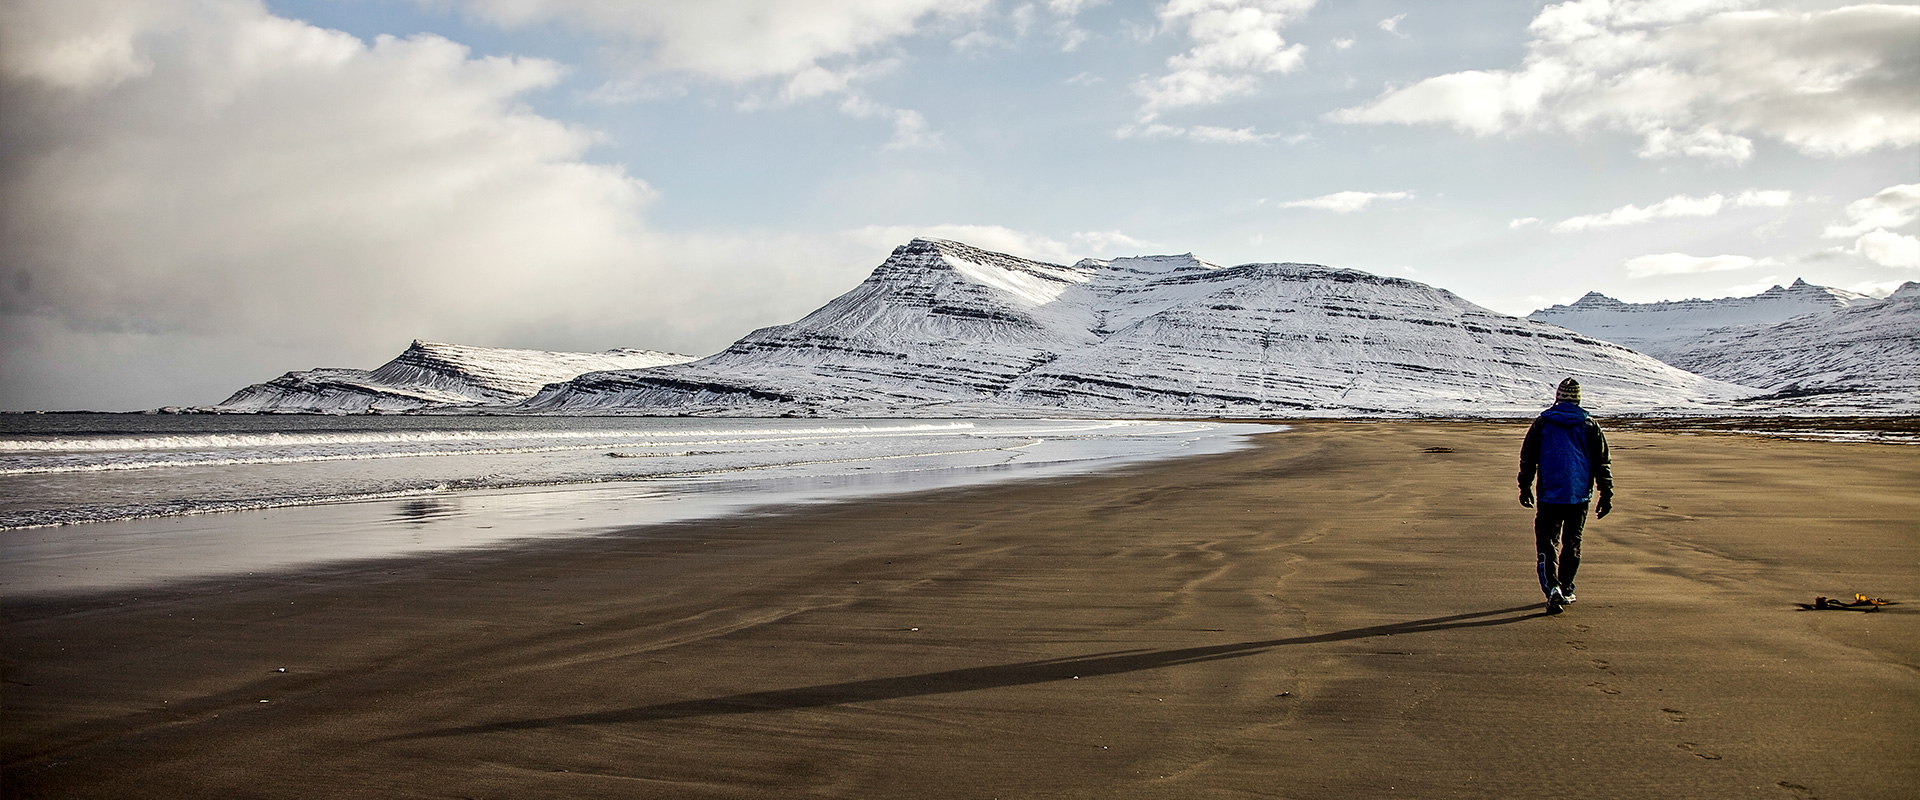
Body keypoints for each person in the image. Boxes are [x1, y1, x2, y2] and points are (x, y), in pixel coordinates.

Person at [1519, 377, 1613, 608]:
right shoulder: (1590, 425)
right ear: (1579, 399)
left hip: (1549, 494)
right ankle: (1566, 587)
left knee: (1547, 542)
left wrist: (1525, 487)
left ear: (1557, 398)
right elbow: (1602, 462)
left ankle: (1552, 587)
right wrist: (1606, 494)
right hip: (1578, 494)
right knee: (1572, 542)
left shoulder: (1542, 423)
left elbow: (1528, 457)